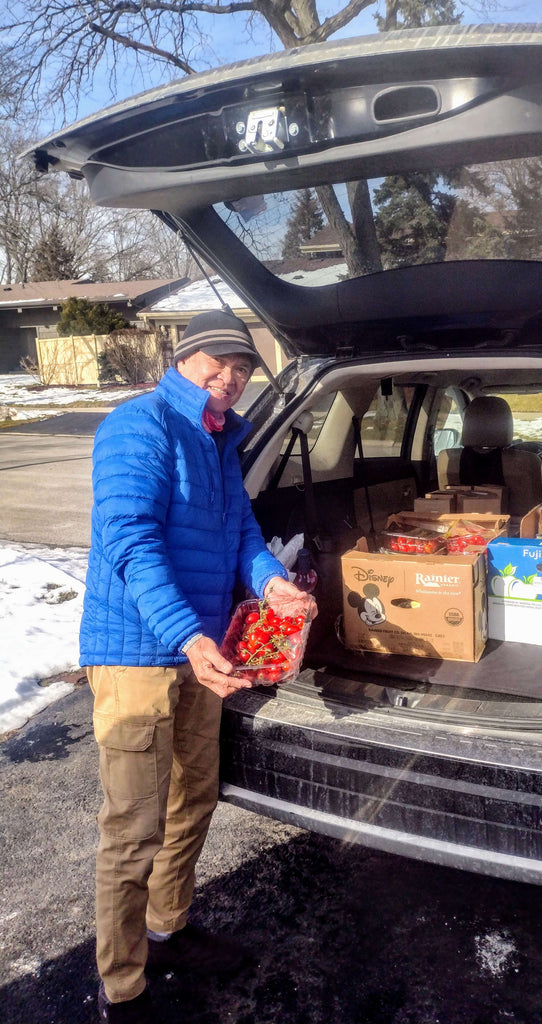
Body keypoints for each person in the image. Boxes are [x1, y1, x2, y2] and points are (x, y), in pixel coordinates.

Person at [80, 309, 316, 1022]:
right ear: (183, 358)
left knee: (194, 800)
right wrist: (187, 634)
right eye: (218, 361)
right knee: (134, 828)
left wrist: (271, 582)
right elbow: (129, 539)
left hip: (203, 656)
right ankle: (121, 987)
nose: (231, 376)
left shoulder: (218, 441)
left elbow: (240, 530)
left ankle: (168, 927)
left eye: (243, 366)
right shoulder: (139, 425)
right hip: (141, 656)